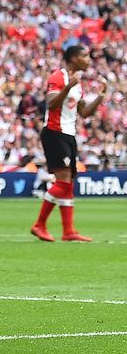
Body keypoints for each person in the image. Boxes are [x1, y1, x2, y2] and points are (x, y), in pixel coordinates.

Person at [31, 45, 108, 243]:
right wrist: (67, 87)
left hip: (68, 134)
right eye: (84, 55)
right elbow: (51, 104)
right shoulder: (59, 77)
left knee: (68, 183)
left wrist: (100, 96)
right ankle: (39, 224)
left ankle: (68, 231)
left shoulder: (77, 83)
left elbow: (84, 112)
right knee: (63, 181)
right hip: (54, 132)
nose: (88, 59)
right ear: (73, 58)